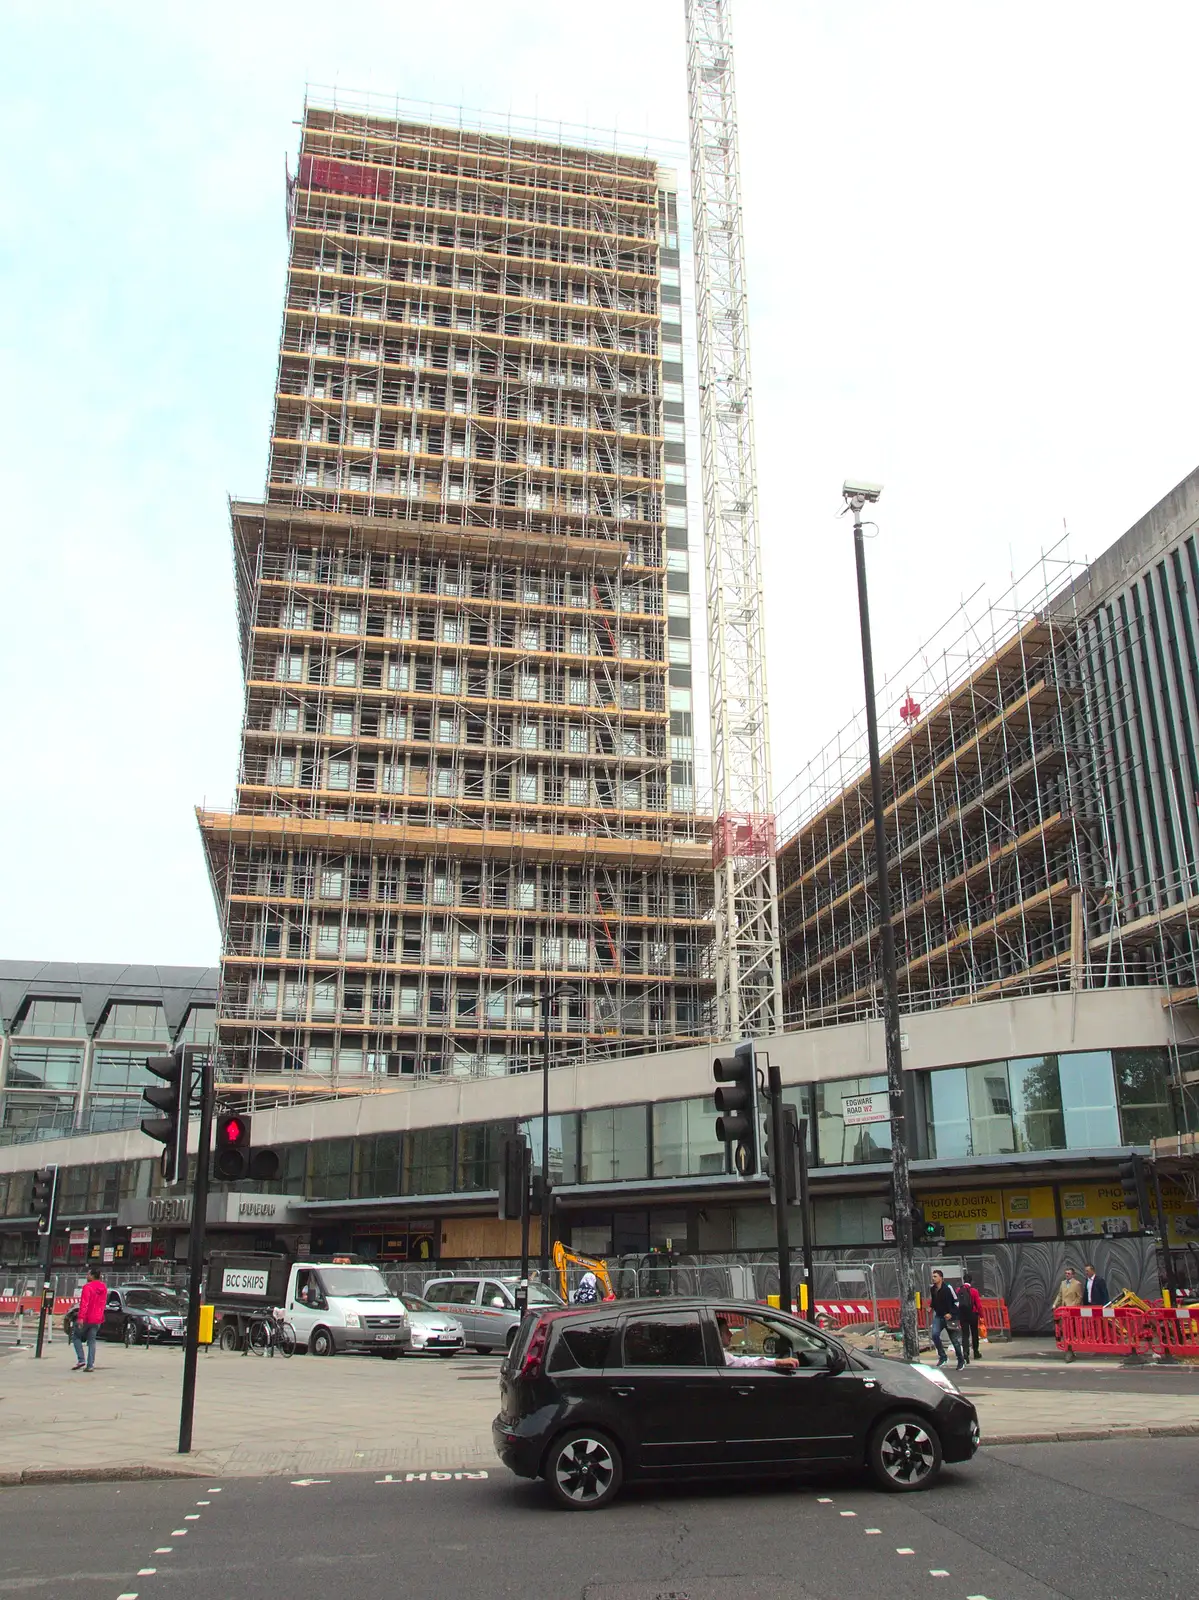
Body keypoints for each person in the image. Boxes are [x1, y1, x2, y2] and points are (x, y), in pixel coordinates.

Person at [717, 1317, 798, 1371]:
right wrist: (778, 1362)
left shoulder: (717, 1355)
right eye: (727, 1332)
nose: (731, 1334)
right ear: (718, 1335)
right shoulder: (721, 1357)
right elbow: (745, 1363)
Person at [928, 1269, 965, 1371]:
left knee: (954, 1340)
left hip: (950, 1317)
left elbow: (956, 1302)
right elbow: (934, 1301)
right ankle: (943, 1356)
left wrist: (951, 1313)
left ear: (941, 1277)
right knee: (935, 1335)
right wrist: (931, 1307)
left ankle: (961, 1360)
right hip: (939, 1316)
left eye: (935, 1276)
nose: (933, 1278)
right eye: (933, 1276)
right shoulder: (933, 1289)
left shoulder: (948, 1288)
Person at [72, 1267, 107, 1372]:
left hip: (87, 1317)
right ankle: (90, 1364)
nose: (87, 1276)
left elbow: (84, 1303)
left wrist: (81, 1318)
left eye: (88, 1274)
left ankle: (81, 1359)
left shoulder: (87, 1287)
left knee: (76, 1336)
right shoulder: (103, 1287)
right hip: (98, 1318)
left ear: (92, 1276)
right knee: (92, 1341)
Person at [958, 1272, 984, 1361]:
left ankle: (965, 1352)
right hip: (973, 1314)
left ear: (963, 1280)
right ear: (971, 1281)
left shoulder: (958, 1290)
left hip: (962, 1315)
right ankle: (976, 1352)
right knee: (974, 1333)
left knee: (965, 1334)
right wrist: (981, 1315)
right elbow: (979, 1305)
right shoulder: (974, 1291)